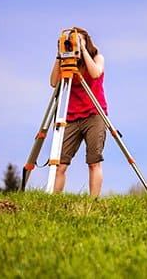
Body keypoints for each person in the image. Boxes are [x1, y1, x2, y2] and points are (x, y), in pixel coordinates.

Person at [49, 27, 107, 197]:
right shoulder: (66, 63)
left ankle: (93, 201)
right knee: (60, 164)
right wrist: (60, 55)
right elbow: (53, 82)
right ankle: (53, 200)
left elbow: (95, 73)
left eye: (77, 40)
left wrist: (82, 50)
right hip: (71, 117)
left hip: (94, 114)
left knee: (94, 161)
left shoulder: (98, 57)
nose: (73, 43)